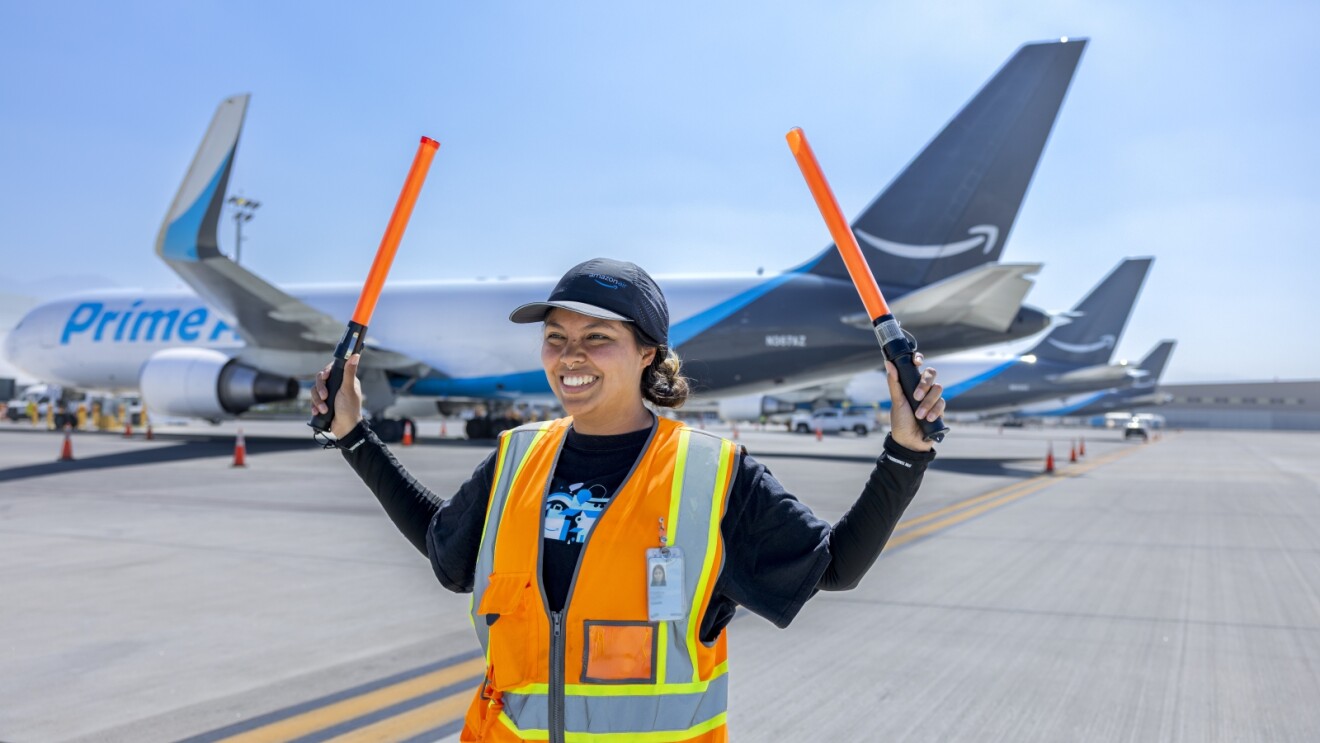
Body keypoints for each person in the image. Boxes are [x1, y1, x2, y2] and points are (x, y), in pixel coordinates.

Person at [313, 257, 945, 743]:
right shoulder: (517, 457)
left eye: (597, 337)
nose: (571, 356)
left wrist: (905, 454)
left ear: (648, 352)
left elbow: (832, 566)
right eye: (556, 338)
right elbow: (446, 553)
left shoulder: (710, 473)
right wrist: (354, 435)